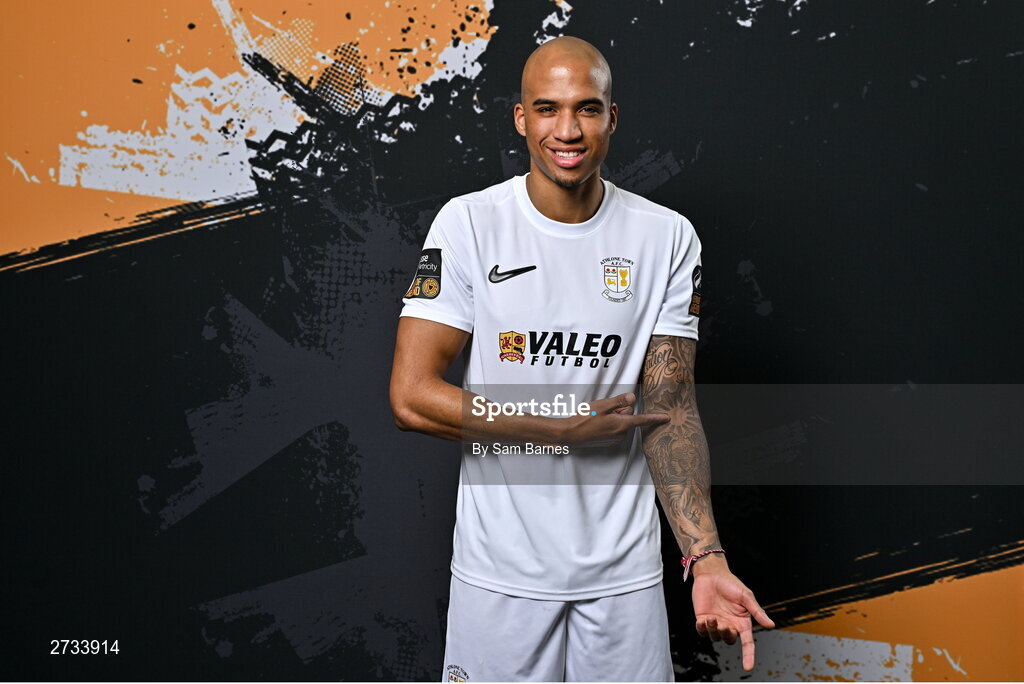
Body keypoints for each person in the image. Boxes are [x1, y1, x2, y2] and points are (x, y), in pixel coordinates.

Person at [390, 35, 774, 682]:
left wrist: (705, 557)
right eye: (547, 109)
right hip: (500, 574)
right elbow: (411, 396)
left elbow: (670, 410)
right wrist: (555, 426)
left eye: (587, 109)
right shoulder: (469, 225)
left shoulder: (666, 238)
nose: (567, 130)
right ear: (521, 118)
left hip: (622, 576)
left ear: (612, 117)